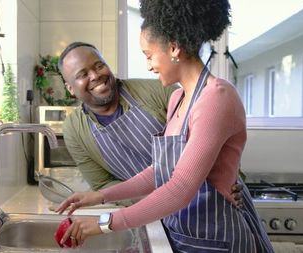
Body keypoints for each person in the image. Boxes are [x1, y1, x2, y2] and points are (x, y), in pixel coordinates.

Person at [56, 1, 274, 252]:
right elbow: (158, 171)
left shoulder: (217, 97)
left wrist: (105, 223)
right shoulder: (177, 99)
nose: (148, 66)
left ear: (173, 48)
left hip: (219, 237)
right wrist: (101, 196)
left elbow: (180, 186)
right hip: (183, 233)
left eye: (149, 55)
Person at [59, 41, 242, 207]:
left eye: (99, 66)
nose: (95, 75)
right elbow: (102, 183)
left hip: (209, 202)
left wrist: (228, 175)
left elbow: (214, 131)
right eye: (82, 74)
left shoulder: (161, 91)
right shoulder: (74, 130)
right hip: (150, 215)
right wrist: (152, 201)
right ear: (70, 89)